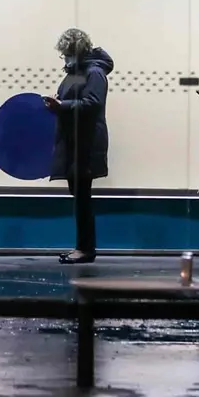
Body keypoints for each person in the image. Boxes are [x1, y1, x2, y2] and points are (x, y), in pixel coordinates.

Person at [43, 28, 114, 265]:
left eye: (66, 53)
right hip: (76, 142)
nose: (64, 58)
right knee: (79, 196)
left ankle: (85, 249)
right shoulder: (79, 72)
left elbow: (93, 103)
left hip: (86, 144)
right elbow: (74, 98)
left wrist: (62, 105)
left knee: (82, 197)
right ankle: (83, 247)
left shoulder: (94, 72)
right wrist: (59, 102)